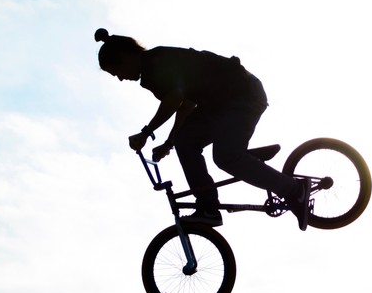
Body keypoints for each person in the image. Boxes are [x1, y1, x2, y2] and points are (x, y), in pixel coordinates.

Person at [96, 28, 309, 230]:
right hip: (220, 104)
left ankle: (294, 190)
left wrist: (145, 133)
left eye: (116, 72)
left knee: (226, 157)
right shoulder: (154, 66)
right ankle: (208, 208)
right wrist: (170, 143)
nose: (120, 78)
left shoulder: (155, 63)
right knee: (185, 141)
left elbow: (174, 99)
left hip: (242, 95)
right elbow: (186, 105)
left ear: (125, 57)